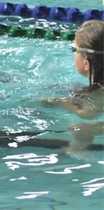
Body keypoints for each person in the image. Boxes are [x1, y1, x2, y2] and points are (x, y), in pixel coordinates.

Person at [42, 20, 104, 153]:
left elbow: (89, 113)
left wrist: (58, 101)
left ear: (86, 63)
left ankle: (71, 154)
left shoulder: (99, 92)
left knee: (81, 129)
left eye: (74, 50)